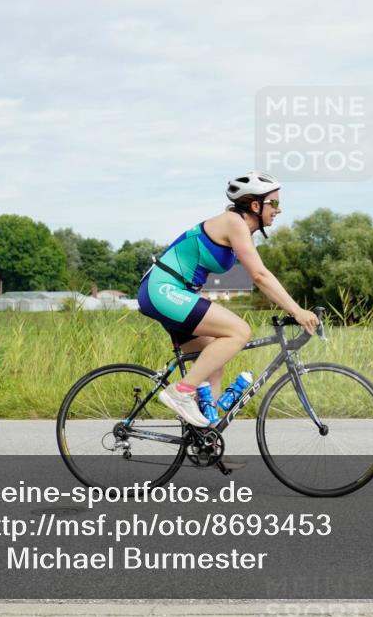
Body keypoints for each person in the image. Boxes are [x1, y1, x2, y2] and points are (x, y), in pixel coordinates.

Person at [136, 171, 319, 427]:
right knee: (239, 331)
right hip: (162, 289)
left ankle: (207, 439)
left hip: (175, 293)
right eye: (274, 203)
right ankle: (181, 391)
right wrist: (297, 310)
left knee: (213, 363)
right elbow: (259, 274)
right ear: (255, 205)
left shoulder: (241, 228)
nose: (279, 209)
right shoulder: (234, 222)